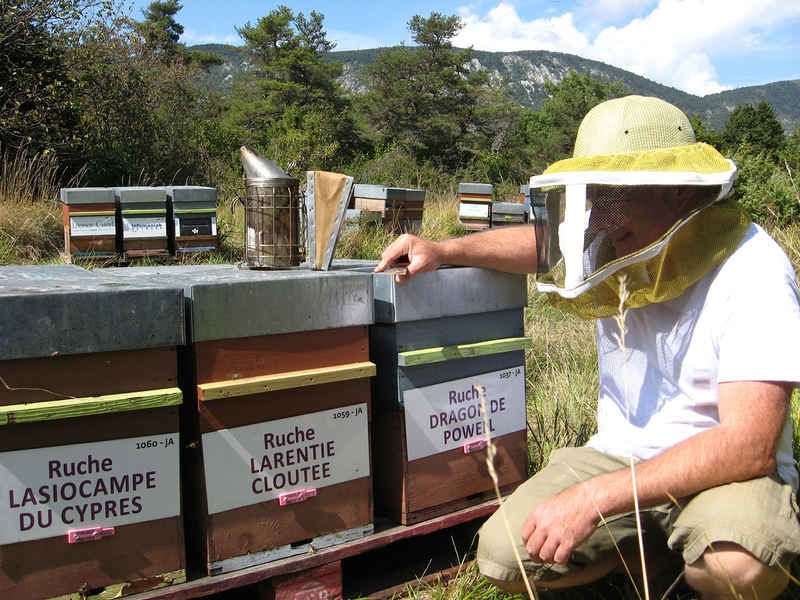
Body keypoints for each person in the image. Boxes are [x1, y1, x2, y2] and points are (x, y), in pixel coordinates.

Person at [375, 95, 800, 599]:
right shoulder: (620, 240)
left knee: (735, 568)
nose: (598, 215)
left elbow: (748, 446)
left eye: (613, 193)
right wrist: (444, 250)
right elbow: (541, 245)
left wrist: (593, 497)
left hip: (723, 473)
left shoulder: (755, 271)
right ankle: (656, 555)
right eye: (591, 193)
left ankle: (720, 557)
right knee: (502, 557)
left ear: (681, 191)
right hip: (619, 456)